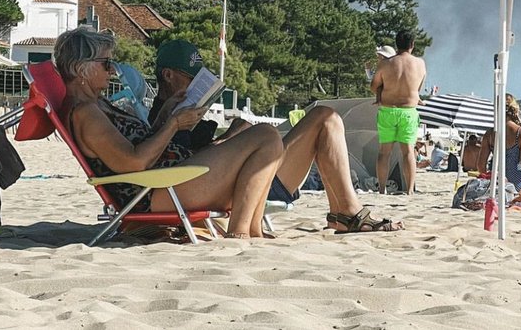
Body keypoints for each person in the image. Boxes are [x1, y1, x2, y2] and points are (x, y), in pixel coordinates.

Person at [151, 39, 402, 233]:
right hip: (240, 184)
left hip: (246, 174)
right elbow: (190, 167)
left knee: (327, 118)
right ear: (168, 75)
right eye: (190, 78)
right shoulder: (161, 120)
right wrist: (228, 139)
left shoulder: (182, 116)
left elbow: (209, 153)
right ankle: (347, 213)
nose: (195, 84)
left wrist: (231, 134)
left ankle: (345, 211)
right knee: (319, 119)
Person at [54, 26, 283, 239]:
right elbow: (134, 162)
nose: (112, 69)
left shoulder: (97, 104)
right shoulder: (86, 114)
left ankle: (252, 229)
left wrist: (164, 115)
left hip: (168, 180)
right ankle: (240, 231)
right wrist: (173, 124)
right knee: (265, 136)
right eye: (105, 63)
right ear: (79, 68)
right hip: (157, 192)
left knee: (264, 137)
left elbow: (135, 146)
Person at [371, 29, 426, 195]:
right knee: (408, 151)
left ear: (397, 44)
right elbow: (419, 87)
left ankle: (382, 189)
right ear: (412, 45)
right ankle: (409, 190)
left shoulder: (386, 64)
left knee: (384, 152)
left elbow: (374, 85)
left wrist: (383, 90)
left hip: (388, 109)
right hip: (408, 111)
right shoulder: (420, 64)